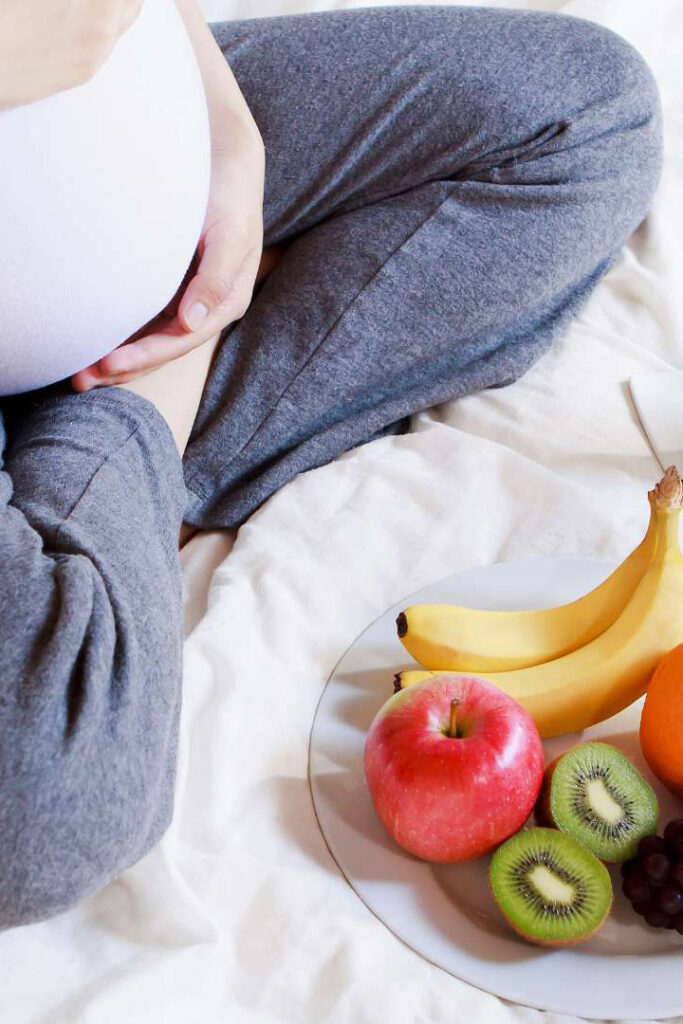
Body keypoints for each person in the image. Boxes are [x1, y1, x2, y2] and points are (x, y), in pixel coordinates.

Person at [0, 1, 662, 930]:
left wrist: (228, 137)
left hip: (110, 130)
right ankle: (140, 423)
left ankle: (109, 480)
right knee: (52, 811)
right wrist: (183, 340)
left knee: (585, 115)